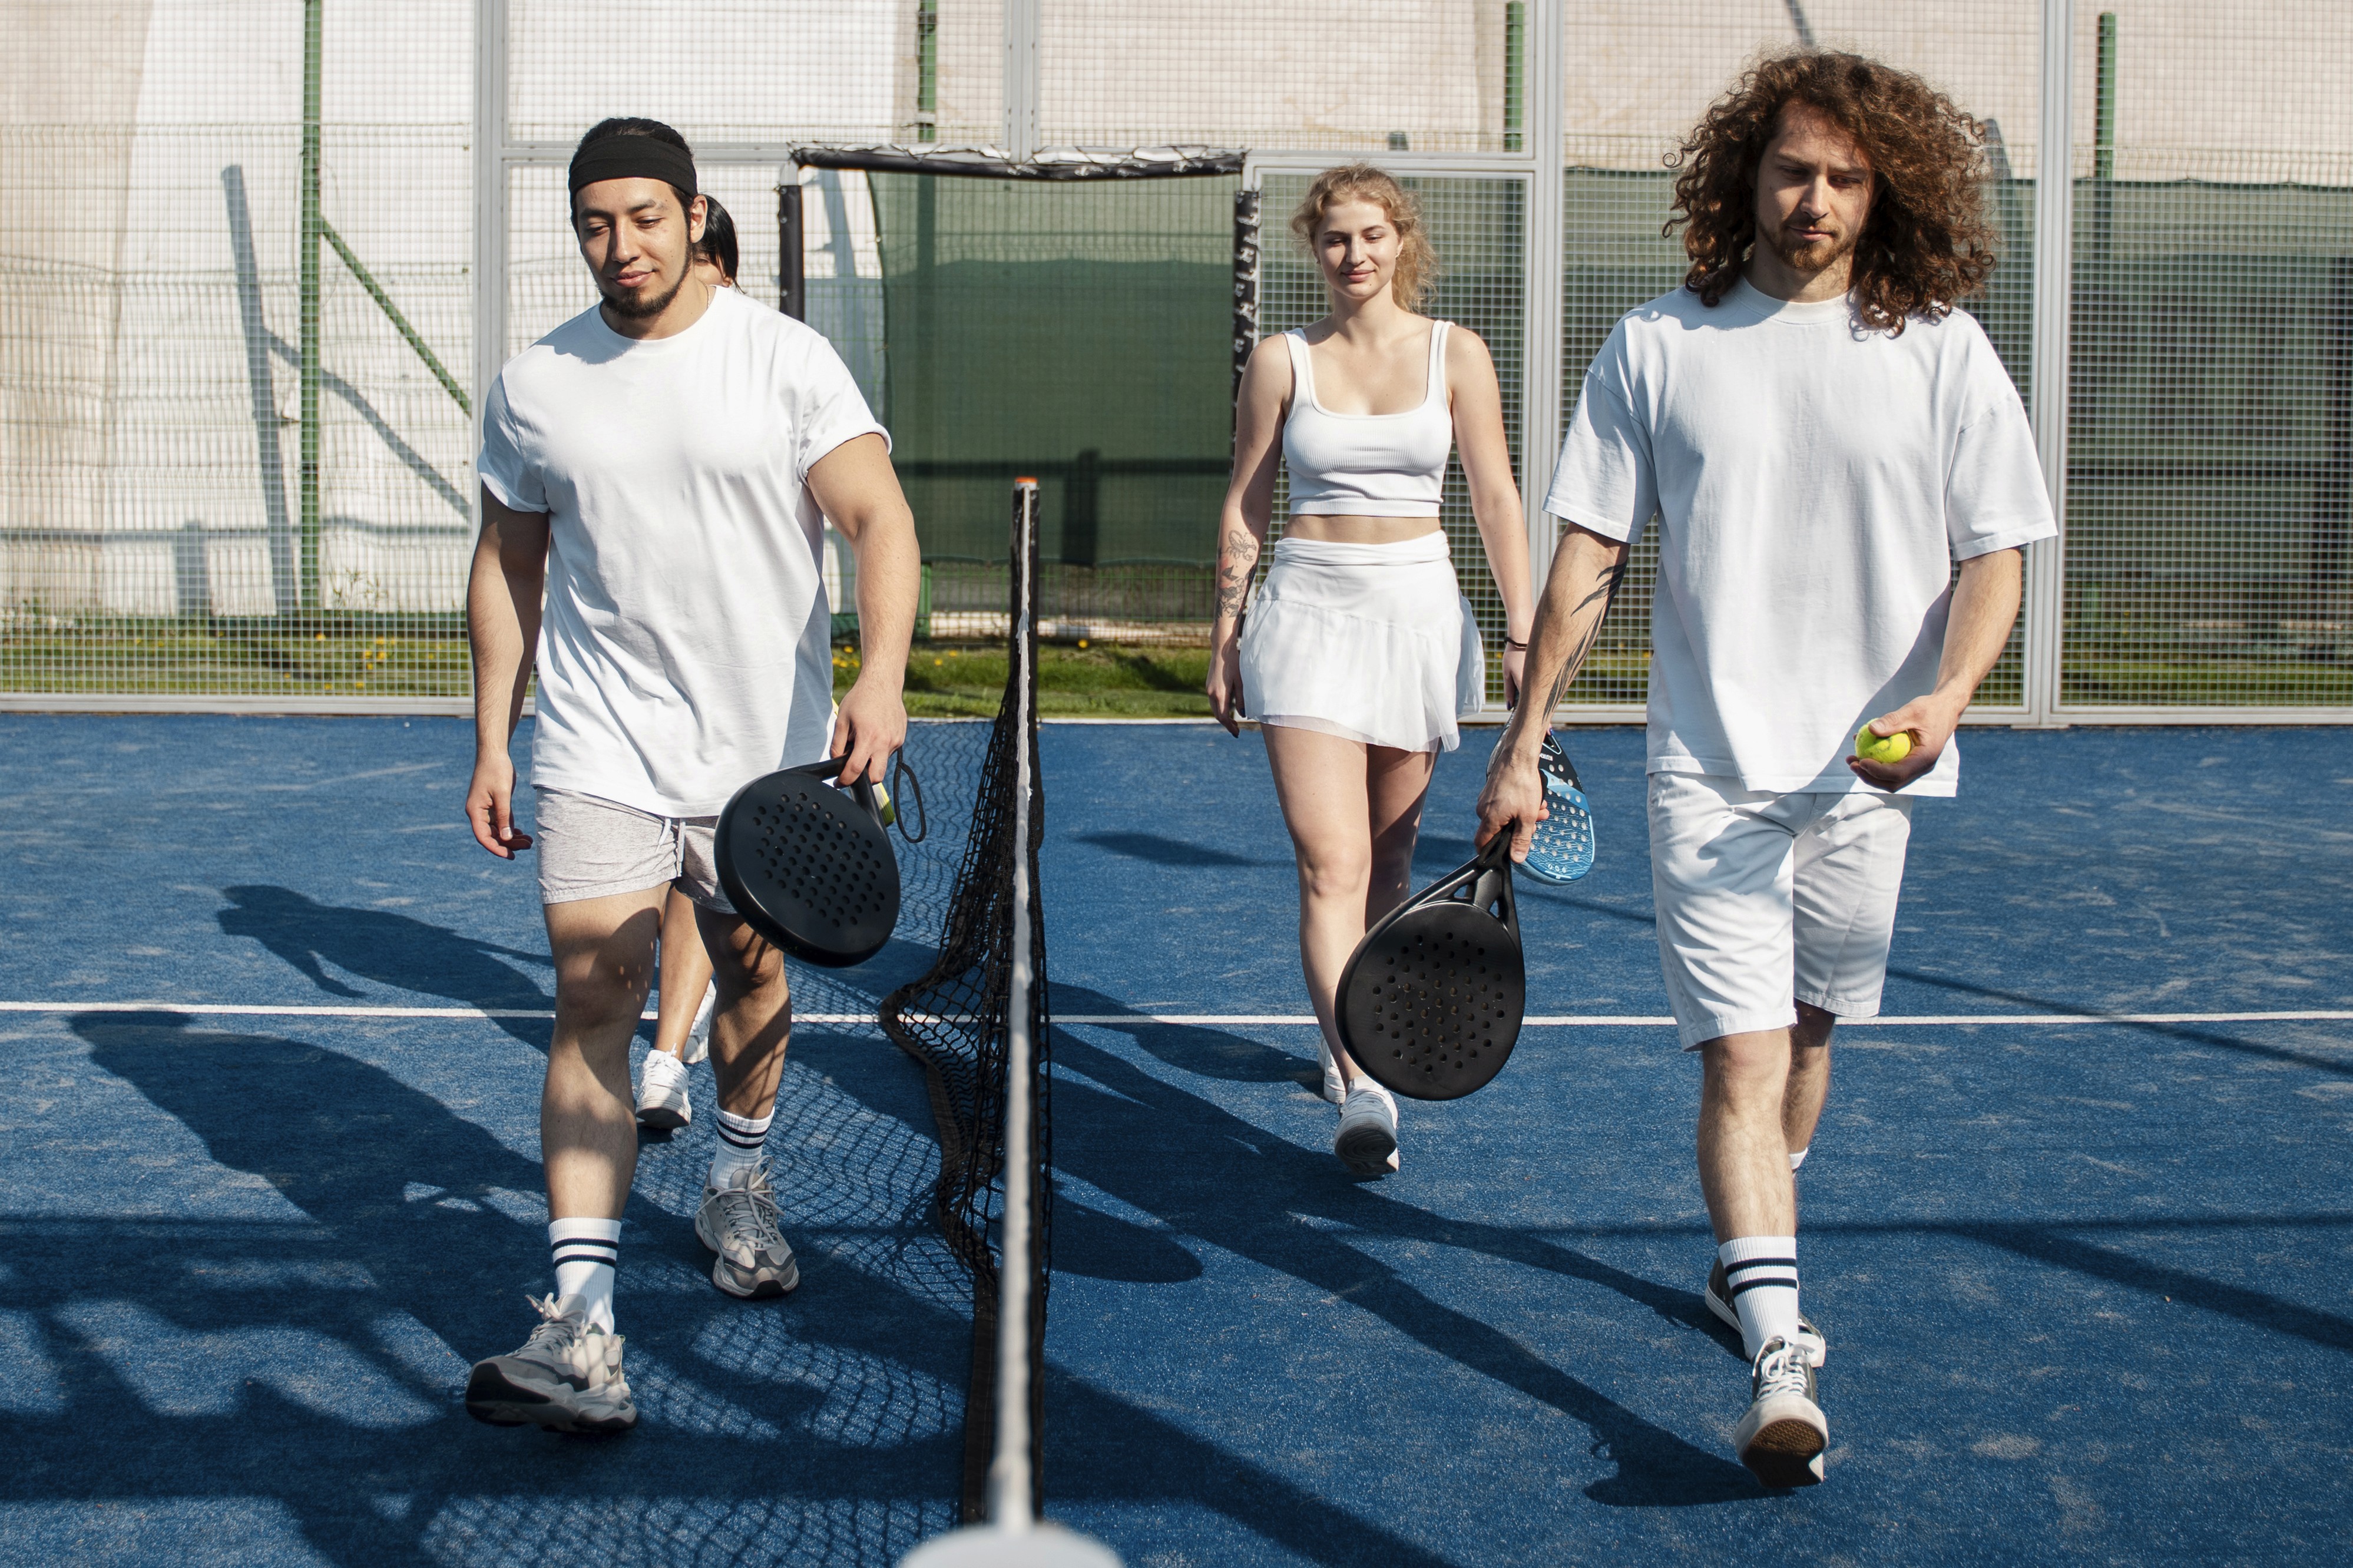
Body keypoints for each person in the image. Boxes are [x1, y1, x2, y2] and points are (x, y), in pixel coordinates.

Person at [1477, 51, 2051, 1486]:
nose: (1815, 199)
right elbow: (1588, 563)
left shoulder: (1944, 348)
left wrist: (1949, 698)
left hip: (1875, 774)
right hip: (1709, 768)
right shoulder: (1658, 344)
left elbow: (1998, 555)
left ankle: (1754, 1258)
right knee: (1737, 1055)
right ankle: (1781, 1351)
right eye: (1793, 170)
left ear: (1887, 193)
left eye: (1847, 179)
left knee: (1805, 1037)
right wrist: (1526, 736)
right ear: (1746, 175)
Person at [459, 118, 919, 1434]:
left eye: (645, 216)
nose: (622, 245)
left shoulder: (784, 362)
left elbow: (880, 516)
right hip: (598, 742)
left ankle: (740, 1171)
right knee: (593, 988)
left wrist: (878, 675)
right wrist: (496, 731)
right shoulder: (537, 380)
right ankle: (584, 1327)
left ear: (693, 212)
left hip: (762, 765)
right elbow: (508, 563)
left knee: (754, 975)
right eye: (596, 222)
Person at [1210, 163, 1534, 1176]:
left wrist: (1525, 633)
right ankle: (1365, 1079)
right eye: (1335, 239)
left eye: (1371, 236)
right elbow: (1245, 504)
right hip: (1304, 615)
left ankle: (1344, 1025)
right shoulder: (1280, 361)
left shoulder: (1458, 355)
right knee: (1332, 863)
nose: (1354, 255)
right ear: (1316, 250)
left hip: (1416, 618)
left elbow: (1496, 500)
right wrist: (1225, 631)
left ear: (1402, 242)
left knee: (1389, 870)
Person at [631, 191, 741, 1133]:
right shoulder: (623, 386)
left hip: (745, 710)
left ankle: (735, 1147)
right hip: (634, 709)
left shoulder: (772, 374)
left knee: (730, 918)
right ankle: (667, 1055)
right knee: (675, 887)